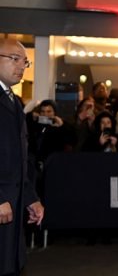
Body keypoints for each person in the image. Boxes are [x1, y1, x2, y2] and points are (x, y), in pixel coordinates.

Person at [0, 39, 44, 276]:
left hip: (14, 202)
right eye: (14, 59)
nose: (20, 66)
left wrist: (31, 198)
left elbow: (21, 157)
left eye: (24, 61)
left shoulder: (14, 102)